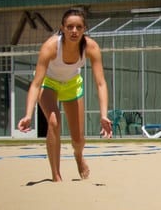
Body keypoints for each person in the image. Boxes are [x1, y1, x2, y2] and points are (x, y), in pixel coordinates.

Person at [18, 9, 112, 182]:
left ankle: (78, 156)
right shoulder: (50, 47)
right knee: (54, 121)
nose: (74, 31)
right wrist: (28, 114)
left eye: (78, 27)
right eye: (70, 27)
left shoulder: (91, 47)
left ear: (84, 28)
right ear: (62, 28)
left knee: (78, 139)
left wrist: (104, 115)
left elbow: (101, 83)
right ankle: (56, 176)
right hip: (49, 84)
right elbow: (36, 84)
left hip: (72, 85)